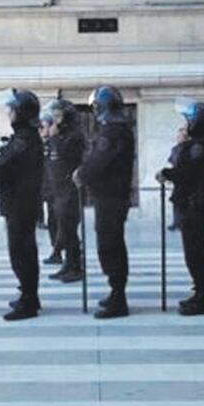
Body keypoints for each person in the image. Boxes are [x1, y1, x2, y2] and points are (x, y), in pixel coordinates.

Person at [0, 88, 44, 321]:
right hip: (20, 201)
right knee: (23, 250)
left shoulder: (25, 139)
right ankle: (29, 295)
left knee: (21, 252)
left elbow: (7, 167)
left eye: (12, 110)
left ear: (22, 113)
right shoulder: (24, 137)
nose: (9, 114)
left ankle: (28, 301)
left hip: (20, 202)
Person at [75, 85, 135, 319]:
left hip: (111, 197)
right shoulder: (117, 129)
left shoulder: (112, 131)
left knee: (110, 246)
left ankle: (118, 298)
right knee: (111, 244)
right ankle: (115, 292)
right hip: (111, 196)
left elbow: (100, 160)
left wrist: (82, 173)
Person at [157, 99, 204, 316]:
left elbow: (187, 174)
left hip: (195, 206)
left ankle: (202, 297)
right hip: (190, 205)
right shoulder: (197, 144)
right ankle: (199, 293)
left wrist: (167, 174)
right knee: (194, 253)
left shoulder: (199, 146)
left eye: (188, 120)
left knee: (197, 253)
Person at [42, 98, 86, 283]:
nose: (55, 120)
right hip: (58, 189)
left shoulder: (73, 136)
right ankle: (68, 264)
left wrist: (53, 137)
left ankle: (75, 267)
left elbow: (65, 156)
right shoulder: (60, 135)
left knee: (69, 230)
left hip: (69, 190)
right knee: (64, 230)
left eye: (58, 116)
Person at [40, 114, 62, 265]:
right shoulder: (47, 143)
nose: (41, 130)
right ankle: (57, 251)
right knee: (53, 222)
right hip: (49, 189)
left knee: (60, 222)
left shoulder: (55, 143)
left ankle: (62, 252)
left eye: (43, 127)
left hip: (57, 189)